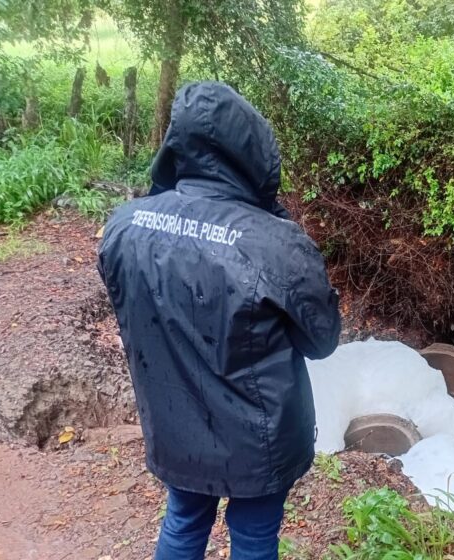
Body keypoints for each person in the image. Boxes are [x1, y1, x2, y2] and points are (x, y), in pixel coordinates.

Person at [97, 81, 341, 560]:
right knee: (253, 536)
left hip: (174, 426)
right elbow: (322, 340)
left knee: (183, 522)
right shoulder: (277, 243)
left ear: (178, 143)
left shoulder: (123, 226)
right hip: (260, 439)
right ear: (251, 151)